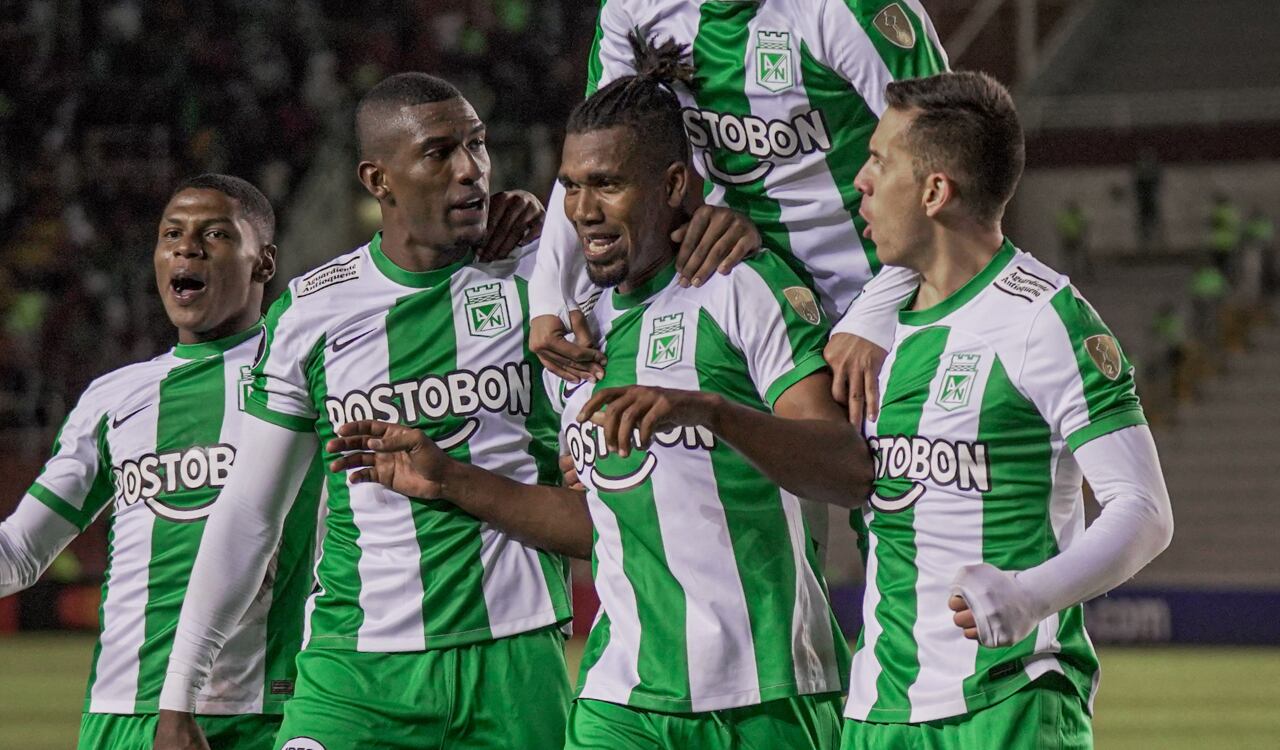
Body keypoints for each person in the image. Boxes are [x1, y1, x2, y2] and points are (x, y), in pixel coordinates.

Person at [328, 66, 875, 750]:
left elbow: (848, 470)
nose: (583, 209)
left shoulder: (740, 287)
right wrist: (451, 481)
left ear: (674, 186)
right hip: (620, 700)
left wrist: (711, 411)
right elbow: (601, 521)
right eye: (570, 186)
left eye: (607, 184)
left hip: (766, 694)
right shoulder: (573, 339)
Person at [155, 74, 570, 750]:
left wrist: (551, 227)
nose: (472, 171)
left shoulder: (541, 277)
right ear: (379, 180)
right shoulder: (312, 312)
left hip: (514, 655)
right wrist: (180, 696)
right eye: (439, 153)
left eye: (478, 145)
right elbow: (250, 512)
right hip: (356, 667)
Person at [840, 71, 1174, 748]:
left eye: (880, 161)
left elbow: (1145, 511)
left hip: (1009, 706)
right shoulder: (871, 329)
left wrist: (1030, 596)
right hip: (879, 710)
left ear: (935, 191)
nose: (861, 181)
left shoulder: (1044, 318)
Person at [0, 174, 323, 749]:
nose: (186, 247)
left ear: (264, 262)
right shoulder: (112, 397)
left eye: (215, 234)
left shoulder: (307, 373)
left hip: (261, 713)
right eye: (171, 233)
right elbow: (20, 552)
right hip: (121, 713)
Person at [530, 0, 948, 424]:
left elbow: (951, 161)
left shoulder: (850, 9)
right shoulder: (633, 7)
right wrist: (548, 300)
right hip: (750, 287)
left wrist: (875, 313)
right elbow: (597, 154)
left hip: (888, 298)